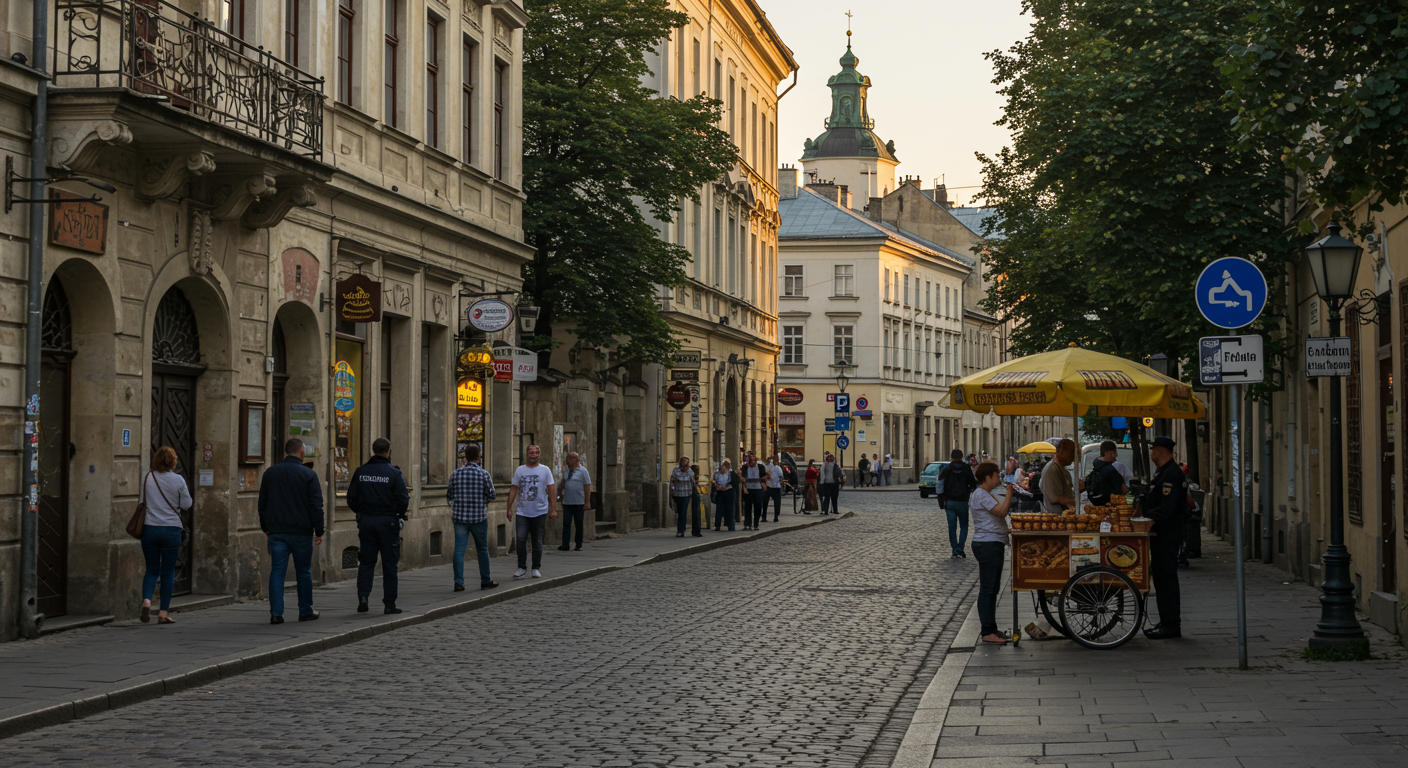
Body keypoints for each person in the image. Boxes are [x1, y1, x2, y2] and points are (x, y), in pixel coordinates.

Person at [258, 437, 324, 624]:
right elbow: (316, 506)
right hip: (301, 531)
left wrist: (266, 527)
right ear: (302, 452)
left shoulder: (270, 473)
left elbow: (262, 503)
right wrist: (319, 530)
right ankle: (305, 610)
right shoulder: (308, 475)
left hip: (277, 531)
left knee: (277, 570)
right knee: (303, 571)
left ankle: (276, 613)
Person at [347, 437, 410, 614]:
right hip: (388, 521)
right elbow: (403, 499)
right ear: (388, 451)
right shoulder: (393, 473)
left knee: (366, 561)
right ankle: (389, 603)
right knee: (390, 564)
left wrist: (361, 512)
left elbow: (351, 498)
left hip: (367, 521)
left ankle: (363, 597)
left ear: (373, 450)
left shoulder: (361, 471)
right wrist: (398, 512)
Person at [138, 446, 192, 625]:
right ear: (173, 462)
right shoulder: (178, 480)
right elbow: (186, 504)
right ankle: (163, 613)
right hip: (171, 529)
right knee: (168, 572)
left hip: (150, 529)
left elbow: (141, 502)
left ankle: (146, 601)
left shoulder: (147, 478)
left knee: (152, 569)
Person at [1143, 436, 1189, 639]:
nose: (1152, 453)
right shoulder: (1163, 472)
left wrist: (1149, 518)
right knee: (1161, 579)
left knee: (1166, 578)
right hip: (1162, 533)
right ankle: (1166, 621)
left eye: (1154, 450)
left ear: (1162, 452)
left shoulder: (1171, 474)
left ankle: (1171, 625)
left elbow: (1167, 508)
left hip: (1167, 533)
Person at [970, 461, 1016, 644]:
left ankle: (992, 628)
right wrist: (1010, 493)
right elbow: (1001, 511)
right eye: (996, 475)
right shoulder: (981, 494)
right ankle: (987, 631)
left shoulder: (983, 494)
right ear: (987, 477)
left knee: (993, 588)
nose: (999, 478)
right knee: (988, 589)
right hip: (988, 544)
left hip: (991, 543)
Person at [446, 443, 497, 592]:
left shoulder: (456, 474)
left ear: (466, 457)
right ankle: (485, 580)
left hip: (460, 518)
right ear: (479, 456)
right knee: (482, 549)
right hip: (479, 517)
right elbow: (492, 495)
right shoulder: (484, 474)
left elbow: (449, 495)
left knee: (459, 549)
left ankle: (458, 582)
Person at [507, 444, 556, 579]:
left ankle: (536, 567)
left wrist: (553, 508)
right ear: (527, 454)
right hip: (522, 511)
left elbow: (551, 488)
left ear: (539, 454)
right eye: (531, 452)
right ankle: (521, 567)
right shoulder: (520, 470)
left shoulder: (545, 470)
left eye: (536, 452)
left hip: (539, 511)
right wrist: (509, 507)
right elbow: (514, 488)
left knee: (537, 541)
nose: (533, 454)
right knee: (521, 539)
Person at [938, 449, 978, 558]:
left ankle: (954, 548)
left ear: (951, 457)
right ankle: (961, 548)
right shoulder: (966, 468)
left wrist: (941, 500)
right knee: (964, 526)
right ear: (961, 457)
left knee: (952, 527)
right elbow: (973, 484)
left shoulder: (947, 469)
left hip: (950, 502)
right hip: (963, 502)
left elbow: (939, 485)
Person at [557, 451, 592, 552]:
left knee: (579, 524)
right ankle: (565, 544)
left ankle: (578, 544)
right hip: (567, 502)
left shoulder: (583, 471)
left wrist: (587, 502)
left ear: (575, 460)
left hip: (579, 502)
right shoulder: (567, 471)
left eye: (569, 458)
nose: (567, 460)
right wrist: (560, 493)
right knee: (566, 523)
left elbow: (587, 486)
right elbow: (563, 483)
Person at [1040, 439, 1079, 514]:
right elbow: (1053, 498)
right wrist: (1073, 501)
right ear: (1061, 452)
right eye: (1071, 454)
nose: (1073, 458)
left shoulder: (1062, 469)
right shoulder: (1052, 469)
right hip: (1056, 517)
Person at [1084, 440, 1129, 506]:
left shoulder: (1096, 467)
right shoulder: (1111, 470)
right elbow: (1124, 490)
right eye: (1114, 453)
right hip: (1111, 506)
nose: (1116, 456)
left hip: (1097, 505)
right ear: (1107, 453)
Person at [670, 456, 697, 537]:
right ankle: (680, 529)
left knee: (683, 512)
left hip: (686, 494)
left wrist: (678, 480)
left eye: (687, 462)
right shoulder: (676, 469)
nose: (686, 464)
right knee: (679, 511)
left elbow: (688, 478)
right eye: (684, 462)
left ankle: (681, 531)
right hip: (677, 494)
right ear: (681, 462)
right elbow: (673, 478)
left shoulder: (690, 471)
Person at [740, 454, 767, 530]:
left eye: (752, 461)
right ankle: (747, 523)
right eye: (749, 461)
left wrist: (764, 479)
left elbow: (764, 477)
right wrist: (744, 485)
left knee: (758, 507)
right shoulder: (745, 467)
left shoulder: (760, 467)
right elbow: (743, 478)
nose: (751, 463)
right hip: (748, 489)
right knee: (747, 507)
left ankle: (756, 524)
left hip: (758, 489)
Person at [712, 460, 737, 531]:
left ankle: (730, 525)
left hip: (729, 493)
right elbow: (714, 481)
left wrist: (727, 486)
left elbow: (735, 482)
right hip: (720, 493)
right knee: (719, 509)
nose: (723, 468)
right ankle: (717, 525)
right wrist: (716, 486)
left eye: (725, 467)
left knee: (730, 509)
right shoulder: (717, 474)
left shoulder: (731, 473)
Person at [766, 455, 784, 522]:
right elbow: (781, 476)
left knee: (765, 502)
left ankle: (764, 516)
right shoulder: (777, 468)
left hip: (768, 486)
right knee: (777, 502)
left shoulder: (766, 467)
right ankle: (776, 516)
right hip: (775, 486)